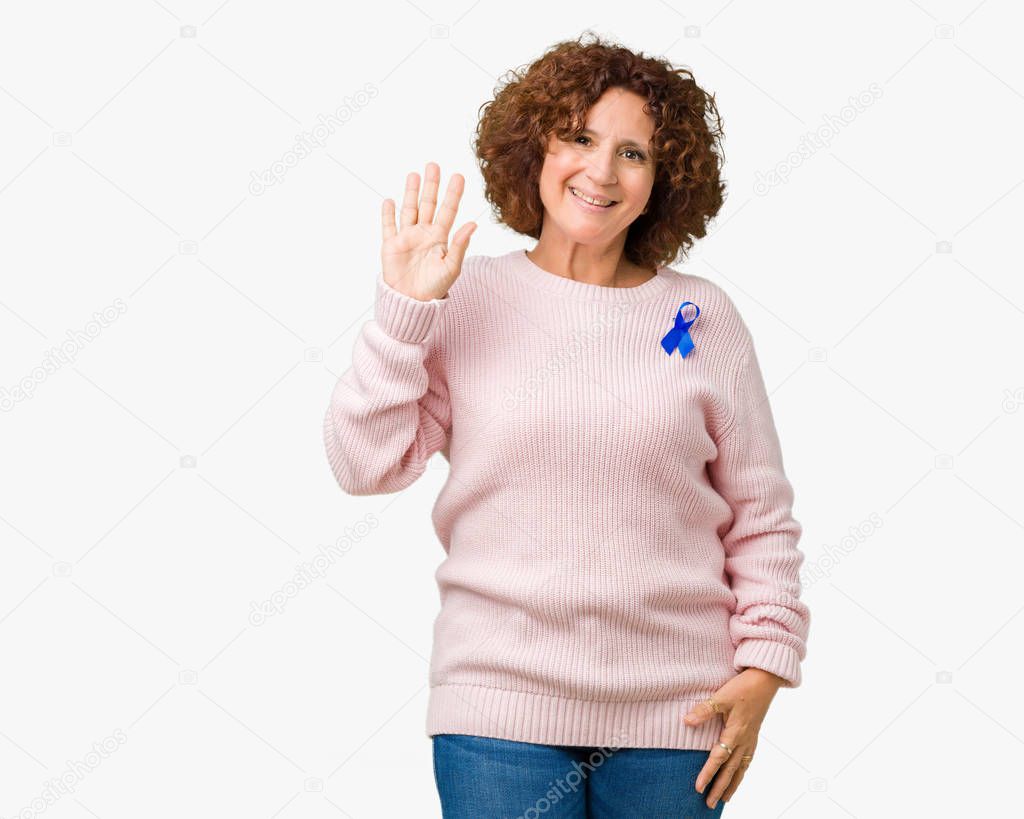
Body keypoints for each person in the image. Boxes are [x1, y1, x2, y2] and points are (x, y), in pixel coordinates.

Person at [323, 31, 810, 818]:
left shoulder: (703, 317)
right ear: (536, 150)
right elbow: (363, 464)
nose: (600, 170)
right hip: (498, 711)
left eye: (634, 153)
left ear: (663, 182)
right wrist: (404, 315)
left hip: (680, 717)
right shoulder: (465, 300)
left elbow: (761, 517)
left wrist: (763, 671)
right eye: (580, 138)